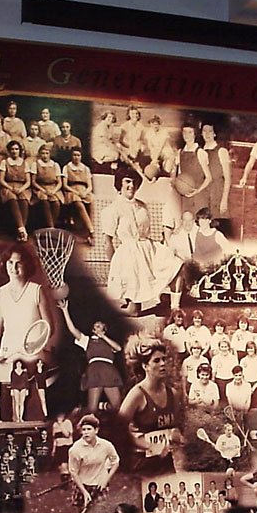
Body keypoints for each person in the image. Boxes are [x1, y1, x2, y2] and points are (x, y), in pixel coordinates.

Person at [104, 173, 181, 315]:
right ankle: (112, 310)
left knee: (177, 264)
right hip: (129, 256)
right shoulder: (112, 209)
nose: (132, 185)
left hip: (149, 249)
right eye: (127, 181)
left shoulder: (142, 206)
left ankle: (174, 306)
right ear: (119, 184)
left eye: (134, 182)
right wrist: (116, 266)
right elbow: (107, 241)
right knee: (134, 311)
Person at [0, 242, 56, 371]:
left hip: (33, 355)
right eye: (10, 262)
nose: (14, 267)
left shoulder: (37, 290)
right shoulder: (0, 293)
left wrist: (34, 345)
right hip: (7, 353)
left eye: (18, 263)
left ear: (27, 265)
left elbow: (49, 327)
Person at [120, 337, 183, 474]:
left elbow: (173, 426)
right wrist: (148, 445)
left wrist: (176, 434)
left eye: (164, 359)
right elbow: (117, 429)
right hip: (141, 465)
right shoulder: (137, 394)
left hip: (166, 464)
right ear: (145, 366)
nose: (163, 364)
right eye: (156, 360)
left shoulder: (172, 393)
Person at [58, 298, 124, 411]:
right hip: (95, 371)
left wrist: (104, 337)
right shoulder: (87, 340)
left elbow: (118, 348)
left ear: (104, 329)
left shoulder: (108, 342)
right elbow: (72, 329)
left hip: (109, 371)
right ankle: (92, 411)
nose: (97, 327)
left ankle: (102, 406)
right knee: (92, 409)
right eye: (95, 326)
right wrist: (65, 310)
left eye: (99, 326)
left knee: (117, 407)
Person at [67, 414, 120, 513]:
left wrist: (106, 480)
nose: (86, 432)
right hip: (82, 484)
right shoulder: (75, 449)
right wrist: (84, 492)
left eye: (89, 429)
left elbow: (115, 462)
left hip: (100, 483)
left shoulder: (106, 445)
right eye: (83, 430)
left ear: (96, 430)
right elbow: (73, 472)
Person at [60, 147, 95, 238]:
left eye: (78, 155)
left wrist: (85, 192)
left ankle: (92, 227)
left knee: (93, 202)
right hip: (71, 190)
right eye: (74, 155)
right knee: (78, 203)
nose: (76, 157)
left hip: (83, 190)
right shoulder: (67, 167)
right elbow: (65, 185)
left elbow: (90, 186)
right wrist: (76, 192)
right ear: (71, 156)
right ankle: (91, 229)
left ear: (81, 156)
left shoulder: (85, 168)